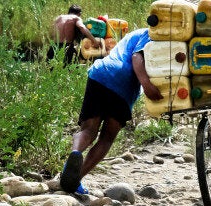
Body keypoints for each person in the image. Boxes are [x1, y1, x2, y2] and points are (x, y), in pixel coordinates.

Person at [59, 28, 163, 194]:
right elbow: (137, 57)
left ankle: (75, 153)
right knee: (106, 138)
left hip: (101, 74)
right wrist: (147, 86)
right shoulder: (153, 34)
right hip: (124, 86)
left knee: (88, 130)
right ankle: (76, 178)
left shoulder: (135, 34)